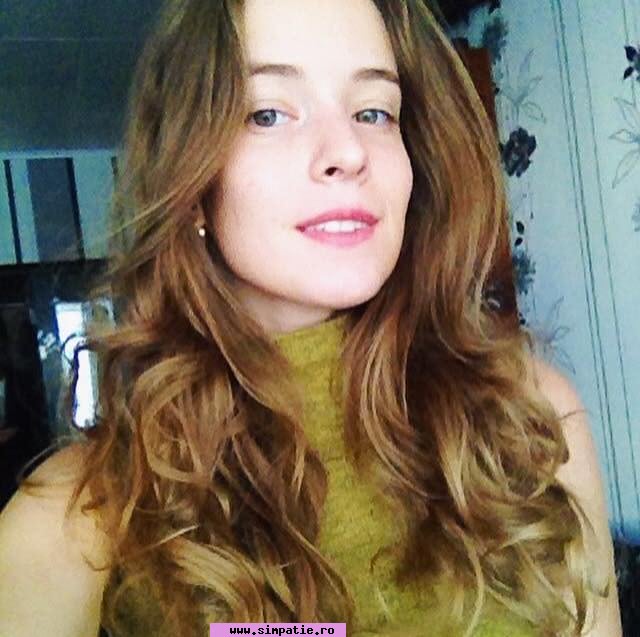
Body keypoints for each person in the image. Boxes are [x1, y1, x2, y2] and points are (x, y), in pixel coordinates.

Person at [0, 0, 623, 635]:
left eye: (374, 112)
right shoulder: (77, 520)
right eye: (267, 114)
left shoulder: (533, 417)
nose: (348, 151)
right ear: (193, 189)